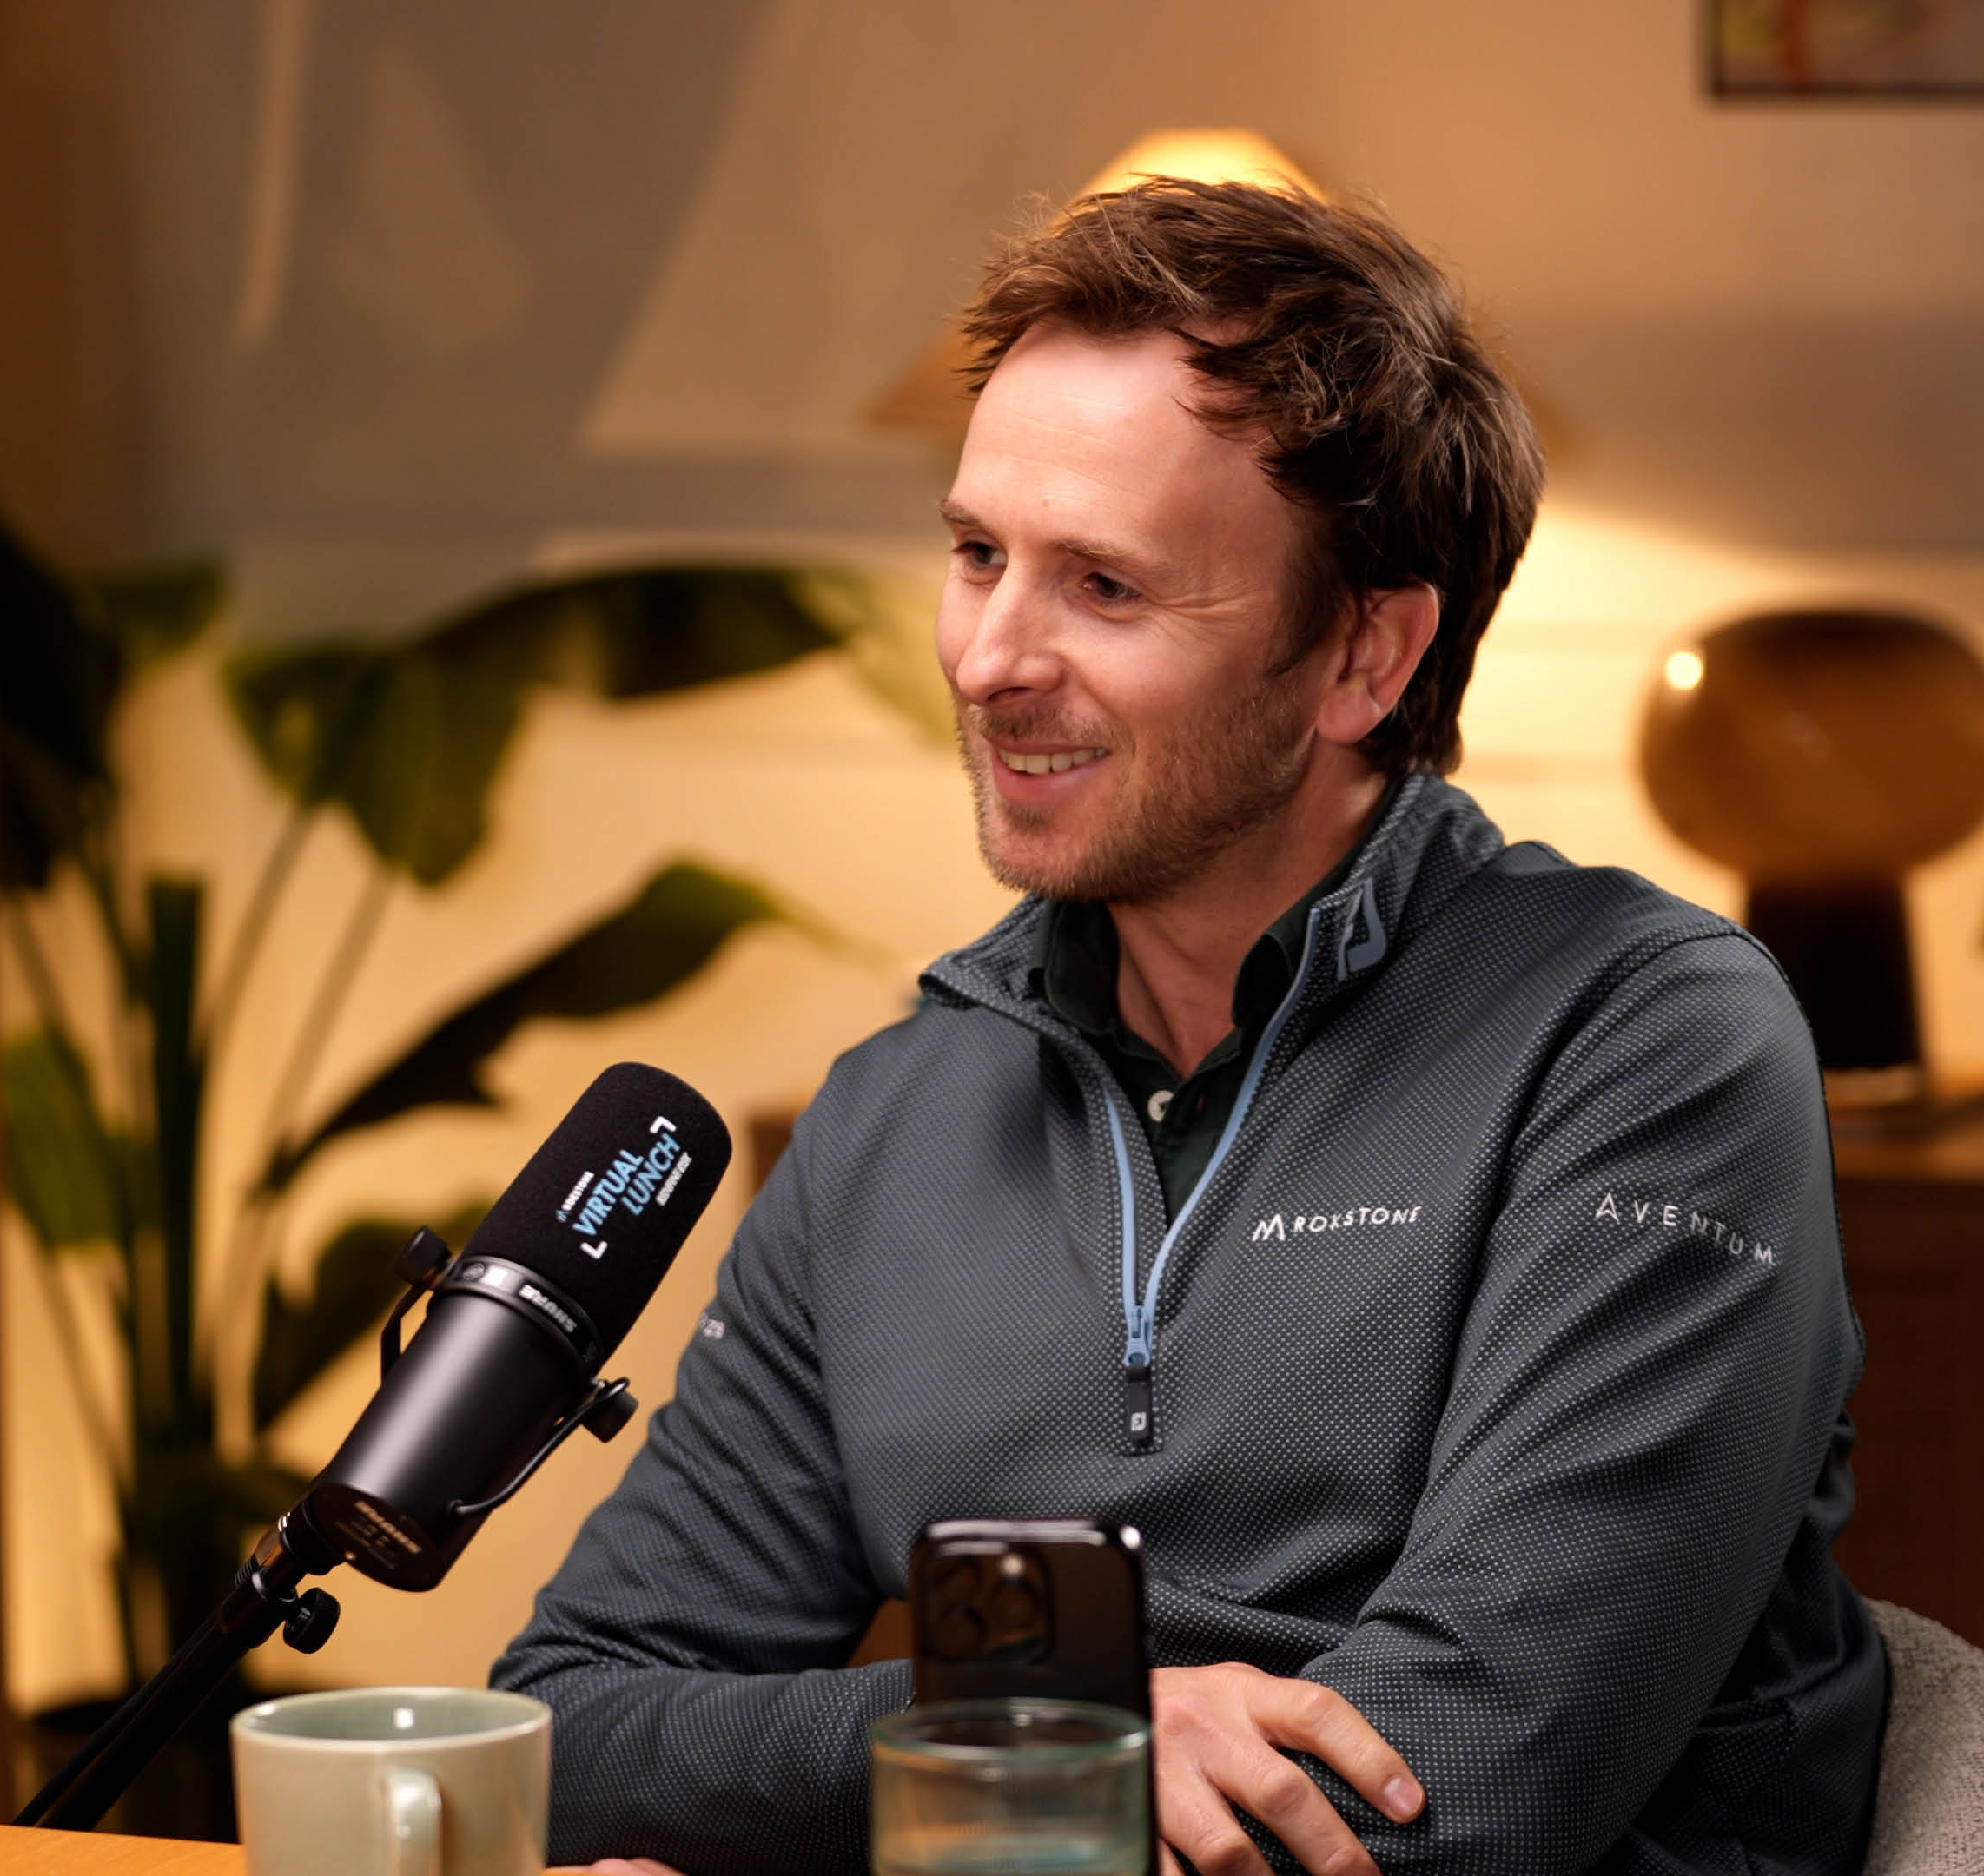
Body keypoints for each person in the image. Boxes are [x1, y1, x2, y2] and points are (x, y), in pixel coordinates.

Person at [493, 177, 1882, 1876]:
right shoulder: (892, 1119)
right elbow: (569, 1733)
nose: (988, 660)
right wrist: (1062, 1732)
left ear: (1365, 657)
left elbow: (1461, 1795)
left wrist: (961, 1778)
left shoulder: (1644, 1042)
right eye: (978, 556)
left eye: (1105, 586)